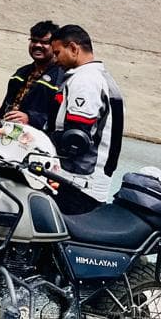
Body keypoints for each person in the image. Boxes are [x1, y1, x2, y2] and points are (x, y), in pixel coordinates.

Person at [47, 24, 124, 215]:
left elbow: (76, 138)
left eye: (57, 53)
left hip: (78, 182)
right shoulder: (99, 76)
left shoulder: (86, 80)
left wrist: (35, 140)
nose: (55, 59)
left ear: (74, 48)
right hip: (88, 181)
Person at [0, 20, 64, 130]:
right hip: (5, 130)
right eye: (34, 40)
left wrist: (30, 118)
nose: (37, 45)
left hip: (35, 136)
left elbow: (59, 119)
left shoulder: (61, 79)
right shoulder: (21, 73)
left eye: (45, 42)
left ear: (55, 45)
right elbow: (3, 109)